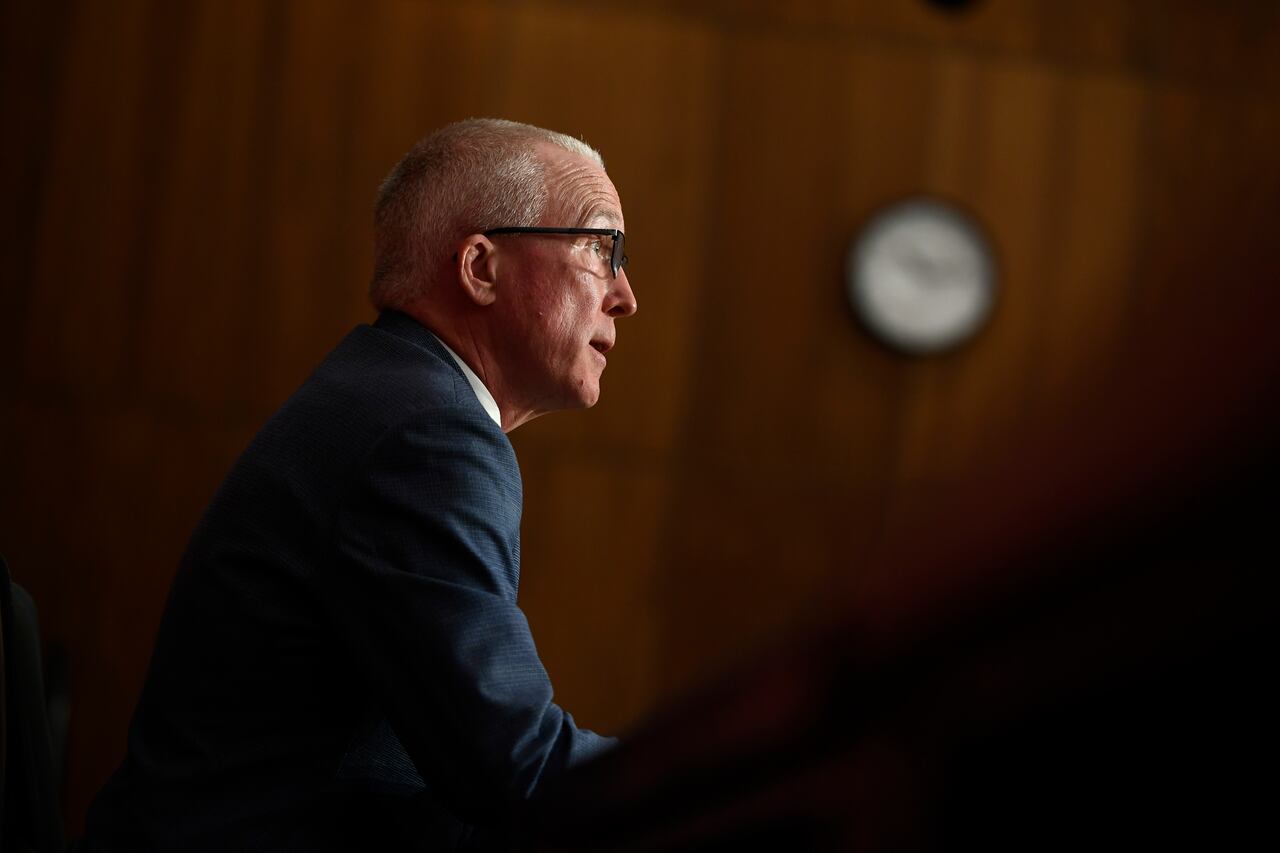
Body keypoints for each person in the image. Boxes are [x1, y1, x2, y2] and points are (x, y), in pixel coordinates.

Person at [84, 118, 638, 851]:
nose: (625, 295)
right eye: (602, 249)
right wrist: (715, 773)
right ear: (480, 267)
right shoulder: (427, 435)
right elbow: (510, 762)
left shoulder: (388, 395)